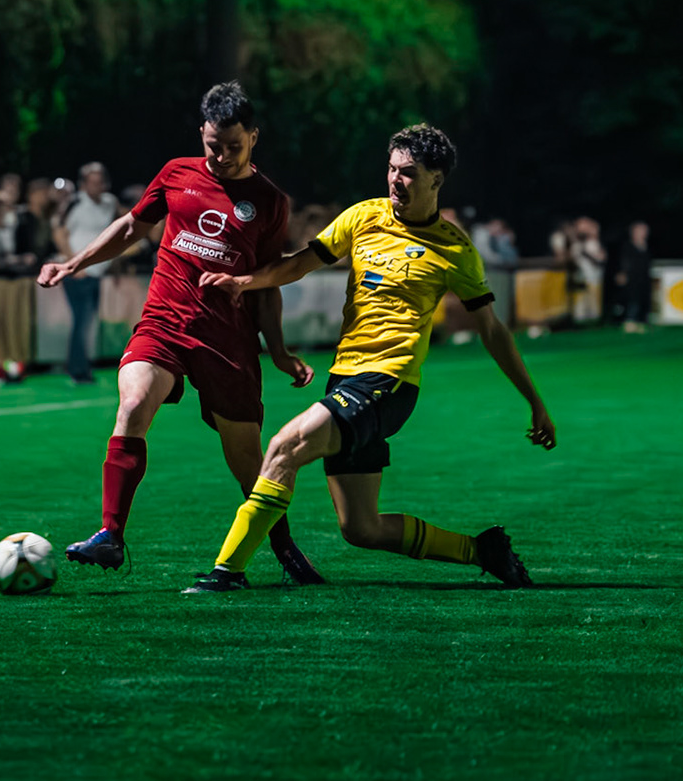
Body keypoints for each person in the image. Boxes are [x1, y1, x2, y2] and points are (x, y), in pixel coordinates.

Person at [186, 123, 555, 592]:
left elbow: (493, 331)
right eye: (392, 169)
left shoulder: (455, 250)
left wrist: (534, 402)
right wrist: (245, 282)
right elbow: (300, 263)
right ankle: (481, 551)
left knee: (282, 447)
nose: (396, 180)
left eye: (409, 173)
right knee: (362, 528)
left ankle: (228, 571)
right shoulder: (364, 217)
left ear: (437, 179)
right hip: (345, 379)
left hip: (389, 384)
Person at [36, 82, 318, 579]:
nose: (223, 157)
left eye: (234, 146)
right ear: (202, 132)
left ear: (254, 137)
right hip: (164, 322)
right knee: (132, 404)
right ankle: (111, 535)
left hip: (225, 339)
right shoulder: (176, 173)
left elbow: (267, 281)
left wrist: (277, 350)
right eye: (214, 145)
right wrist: (74, 263)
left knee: (246, 459)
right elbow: (132, 227)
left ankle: (284, 546)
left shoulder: (270, 202)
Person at [52, 161, 120, 384]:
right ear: (83, 184)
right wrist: (73, 264)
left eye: (100, 182)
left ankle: (81, 366)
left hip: (97, 271)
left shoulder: (110, 203)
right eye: (92, 182)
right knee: (81, 321)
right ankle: (78, 369)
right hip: (78, 273)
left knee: (87, 322)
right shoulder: (74, 202)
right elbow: (59, 233)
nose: (97, 186)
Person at [614, 221, 652, 332]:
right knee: (632, 301)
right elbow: (623, 261)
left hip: (643, 279)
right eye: (639, 230)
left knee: (642, 300)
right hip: (631, 279)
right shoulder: (627, 246)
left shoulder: (646, 246)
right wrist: (622, 273)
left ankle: (641, 321)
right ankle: (629, 321)